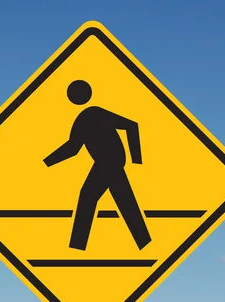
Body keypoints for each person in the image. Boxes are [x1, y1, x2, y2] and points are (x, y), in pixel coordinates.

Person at [43, 80, 151, 251]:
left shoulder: (93, 114)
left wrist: (136, 159)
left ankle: (77, 246)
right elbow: (73, 148)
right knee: (124, 201)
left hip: (109, 162)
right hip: (109, 163)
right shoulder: (85, 118)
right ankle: (144, 242)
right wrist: (47, 162)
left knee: (88, 196)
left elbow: (131, 126)